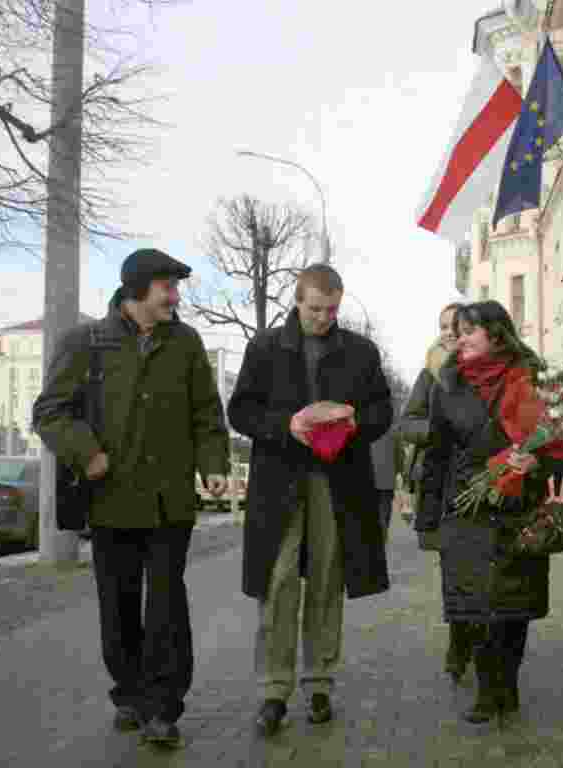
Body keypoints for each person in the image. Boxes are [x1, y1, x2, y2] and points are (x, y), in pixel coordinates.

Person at [32, 248, 230, 746]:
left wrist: (213, 466)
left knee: (166, 607)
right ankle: (129, 691)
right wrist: (87, 451)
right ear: (138, 289)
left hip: (169, 506)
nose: (175, 296)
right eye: (168, 287)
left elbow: (206, 413)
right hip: (111, 502)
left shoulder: (185, 343)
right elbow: (50, 411)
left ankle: (163, 707)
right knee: (118, 606)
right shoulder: (86, 342)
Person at [227, 264, 393, 736]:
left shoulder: (361, 351)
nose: (323, 317)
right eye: (315, 308)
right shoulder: (263, 346)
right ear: (297, 301)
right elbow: (240, 410)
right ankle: (274, 690)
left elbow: (383, 410)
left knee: (326, 578)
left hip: (337, 482)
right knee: (278, 581)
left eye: (332, 309)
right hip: (279, 482)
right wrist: (287, 424)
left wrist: (354, 418)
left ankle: (319, 682)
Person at [417, 300, 552, 725]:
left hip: (518, 502)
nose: (460, 338)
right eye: (457, 331)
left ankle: (507, 683)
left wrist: (537, 463)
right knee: (474, 604)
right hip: (465, 502)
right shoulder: (448, 382)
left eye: (468, 330)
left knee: (514, 604)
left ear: (495, 333)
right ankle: (486, 688)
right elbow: (436, 453)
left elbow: (556, 441)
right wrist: (428, 517)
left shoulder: (529, 375)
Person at [395, 302, 486, 681]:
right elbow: (407, 423)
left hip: (483, 482)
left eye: (457, 325)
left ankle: (478, 640)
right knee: (453, 569)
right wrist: (436, 428)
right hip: (440, 482)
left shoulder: (487, 371)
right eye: (444, 325)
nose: (450, 331)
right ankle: (459, 638)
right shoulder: (430, 373)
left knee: (480, 569)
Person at [371, 429, 403, 541]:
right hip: (387, 476)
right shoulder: (393, 432)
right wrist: (398, 470)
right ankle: (383, 533)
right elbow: (400, 455)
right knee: (385, 507)